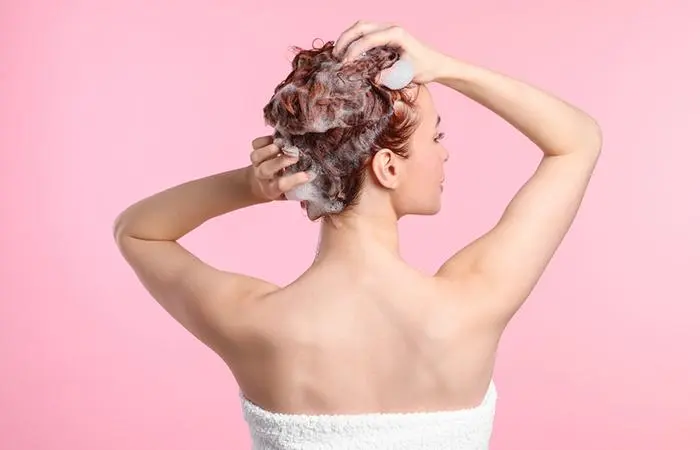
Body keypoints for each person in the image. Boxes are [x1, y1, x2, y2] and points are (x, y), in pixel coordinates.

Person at [113, 21, 602, 450]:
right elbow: (576, 142)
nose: (444, 154)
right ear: (388, 166)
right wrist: (446, 67)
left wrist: (251, 184)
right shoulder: (472, 302)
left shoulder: (255, 323)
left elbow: (137, 232)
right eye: (436, 137)